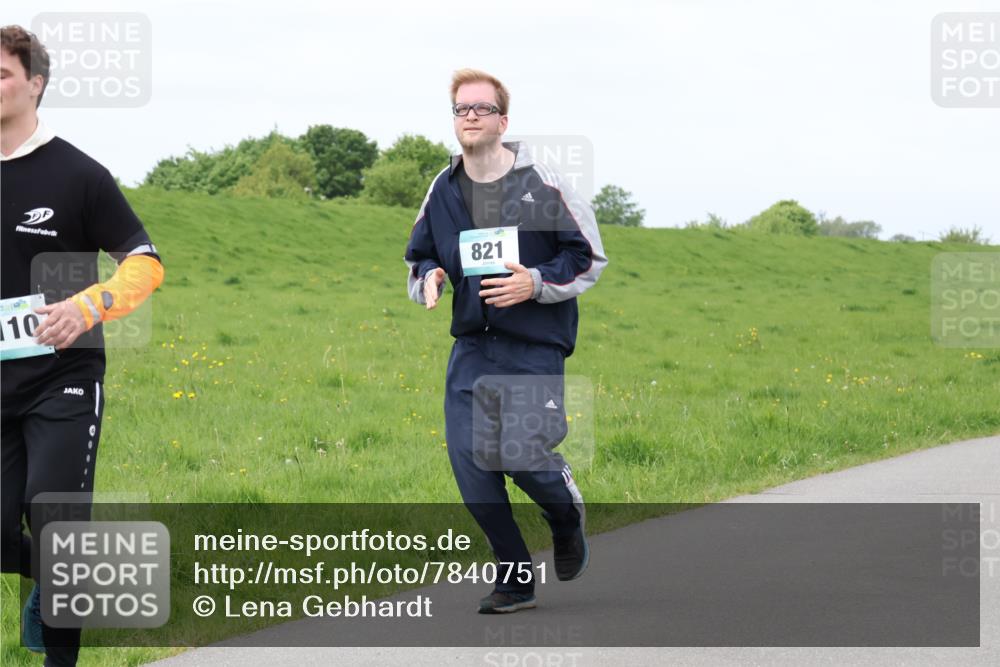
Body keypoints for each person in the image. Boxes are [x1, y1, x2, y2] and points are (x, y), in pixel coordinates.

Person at [404, 68, 607, 613]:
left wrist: (534, 283)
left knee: (516, 455)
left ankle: (564, 512)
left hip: (533, 344)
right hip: (471, 347)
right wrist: (429, 280)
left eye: (481, 108)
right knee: (472, 468)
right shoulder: (443, 188)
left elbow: (588, 258)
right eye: (461, 110)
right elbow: (419, 255)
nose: (470, 116)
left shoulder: (540, 182)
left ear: (503, 120)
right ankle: (516, 581)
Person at [1, 25, 164, 666]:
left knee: (55, 518)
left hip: (62, 376)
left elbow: (145, 262)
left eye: (2, 73)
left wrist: (88, 304)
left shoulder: (76, 172)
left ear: (35, 84)